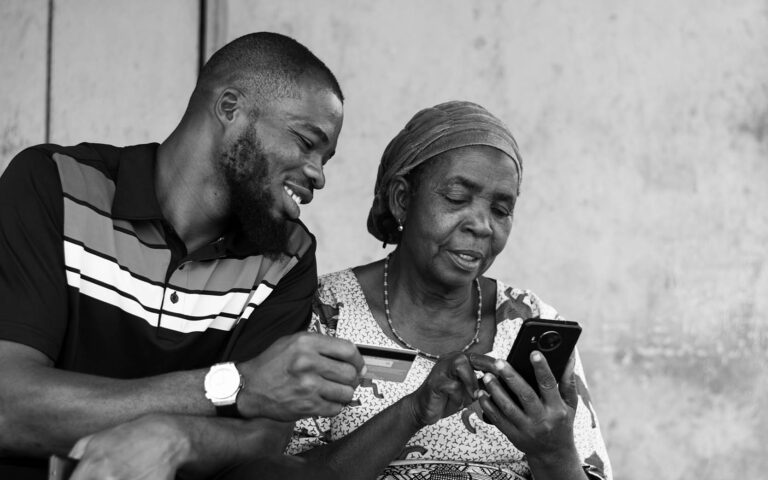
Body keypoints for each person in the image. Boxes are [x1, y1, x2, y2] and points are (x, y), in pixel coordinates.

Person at [0, 32, 365, 480]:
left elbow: (263, 439)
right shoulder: (56, 184)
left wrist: (175, 438)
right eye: (307, 142)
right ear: (230, 109)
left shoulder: (287, 256)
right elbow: (7, 406)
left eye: (326, 157)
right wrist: (235, 384)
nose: (319, 174)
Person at [285, 101, 612, 479]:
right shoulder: (326, 313)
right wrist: (412, 412)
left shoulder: (529, 322)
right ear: (402, 200)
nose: (482, 225)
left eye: (501, 210)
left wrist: (553, 452)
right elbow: (282, 474)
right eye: (457, 199)